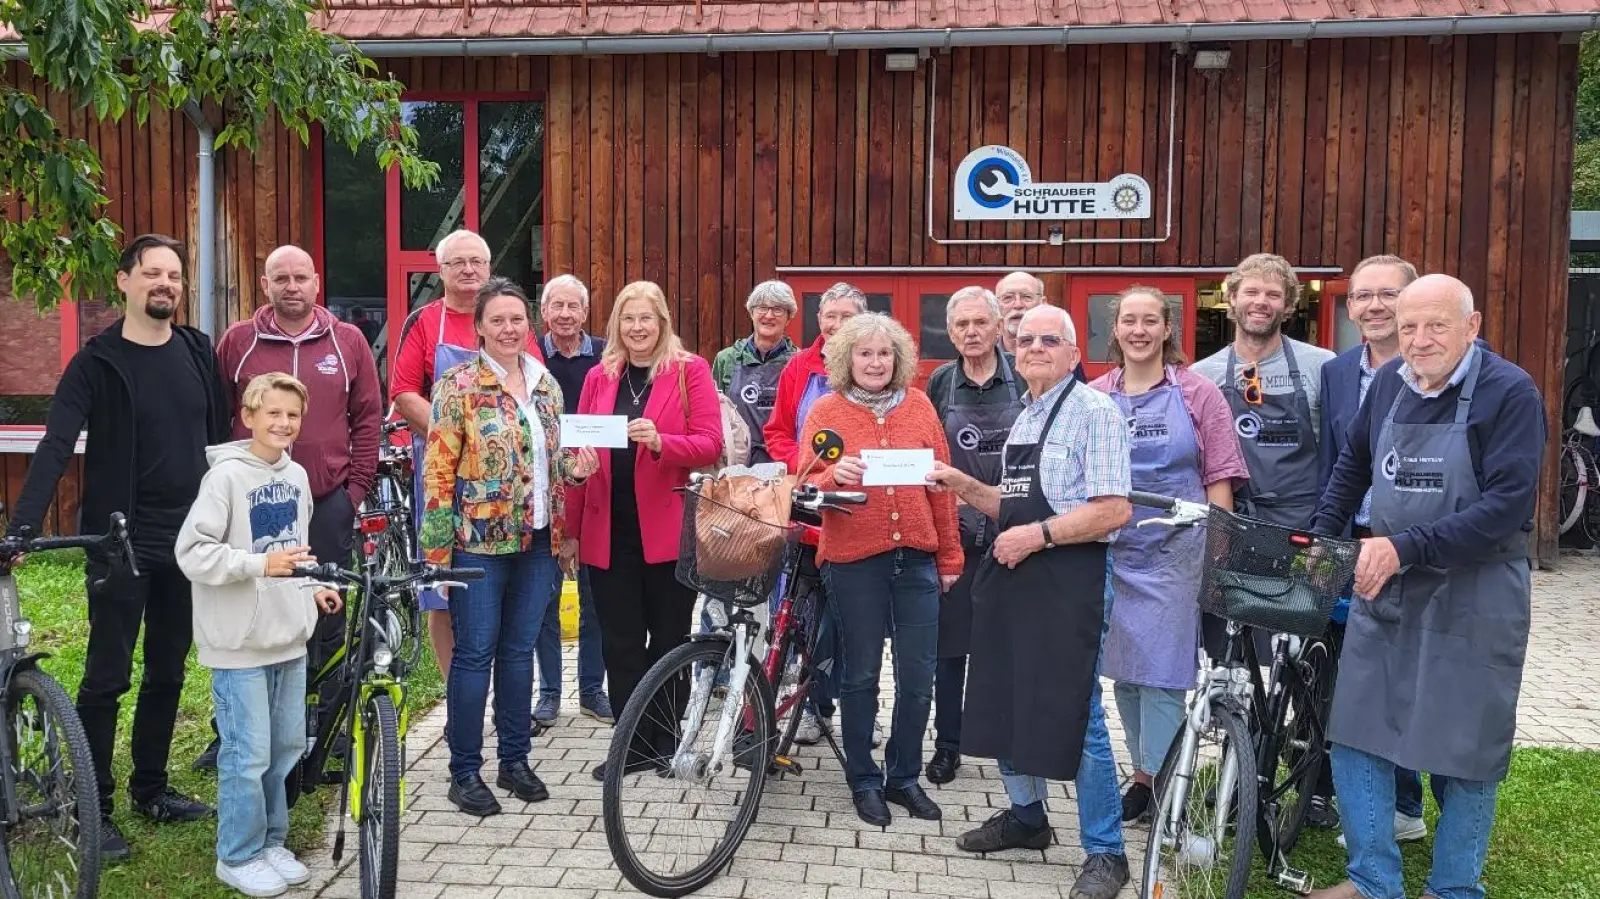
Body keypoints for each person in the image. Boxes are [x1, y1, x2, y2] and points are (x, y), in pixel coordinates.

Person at [1307, 275, 1544, 899]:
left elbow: (1507, 505)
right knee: (1357, 730)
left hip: (1476, 591)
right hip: (1386, 588)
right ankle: (1371, 880)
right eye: (1408, 327)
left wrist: (1404, 548)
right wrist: (1324, 539)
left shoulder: (1508, 391)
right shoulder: (1387, 384)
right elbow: (1352, 464)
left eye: (1436, 325)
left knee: (1466, 746)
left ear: (1471, 326)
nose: (1419, 339)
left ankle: (1454, 887)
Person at [6, 233, 226, 859]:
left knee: (168, 669)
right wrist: (22, 529)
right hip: (119, 541)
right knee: (107, 675)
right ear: (124, 282)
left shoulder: (196, 351)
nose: (166, 284)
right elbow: (54, 447)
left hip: (190, 540)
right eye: (153, 273)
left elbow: (220, 445)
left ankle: (151, 788)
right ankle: (92, 805)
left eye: (175, 276)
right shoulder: (96, 363)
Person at [928, 304, 1133, 899]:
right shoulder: (1026, 415)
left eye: (1051, 339)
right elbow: (1011, 505)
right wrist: (960, 484)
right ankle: (1026, 817)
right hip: (1017, 573)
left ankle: (1106, 852)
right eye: (1026, 339)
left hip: (1071, 576)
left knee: (1079, 712)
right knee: (1004, 696)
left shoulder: (1095, 411)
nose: (1035, 347)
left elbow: (1114, 510)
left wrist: (1039, 536)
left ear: (1075, 353)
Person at [195, 244, 382, 772]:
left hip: (326, 500)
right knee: (248, 607)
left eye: (301, 277)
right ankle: (231, 729)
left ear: (317, 283)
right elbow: (217, 416)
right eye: (282, 278)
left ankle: (326, 726)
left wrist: (354, 494)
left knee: (324, 611)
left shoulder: (347, 343)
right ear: (265, 284)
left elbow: (368, 417)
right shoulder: (238, 342)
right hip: (252, 503)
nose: (292, 286)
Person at [421, 278, 598, 816]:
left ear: (529, 325)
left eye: (516, 320)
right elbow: (437, 473)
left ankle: (515, 761)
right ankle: (464, 770)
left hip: (537, 541)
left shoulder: (546, 385)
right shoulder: (457, 386)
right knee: (475, 655)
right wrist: (436, 559)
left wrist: (578, 468)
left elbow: (554, 462)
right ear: (478, 327)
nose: (508, 329)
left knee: (519, 655)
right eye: (497, 320)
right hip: (478, 547)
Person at [174, 372, 343, 897]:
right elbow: (192, 553)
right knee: (247, 754)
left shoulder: (295, 477)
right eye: (272, 413)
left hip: (288, 637)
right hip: (238, 643)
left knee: (285, 746)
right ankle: (237, 853)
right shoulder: (223, 479)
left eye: (292, 415)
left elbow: (295, 547)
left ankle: (272, 842)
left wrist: (312, 585)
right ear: (248, 416)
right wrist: (257, 564)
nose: (283, 423)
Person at [1088, 286, 1247, 822]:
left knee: (1162, 672)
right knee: (1125, 673)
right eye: (1128, 320)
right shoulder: (1095, 394)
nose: (1138, 330)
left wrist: (1219, 553)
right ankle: (1145, 772)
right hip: (1112, 548)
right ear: (1116, 331)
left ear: (1166, 330)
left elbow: (1220, 476)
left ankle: (1160, 781)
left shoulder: (1199, 394)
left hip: (1177, 551)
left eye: (1149, 321)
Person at [798, 313, 962, 827]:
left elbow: (942, 486)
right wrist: (829, 472)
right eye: (865, 354)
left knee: (917, 676)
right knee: (861, 674)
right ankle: (864, 780)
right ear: (848, 358)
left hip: (916, 558)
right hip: (853, 561)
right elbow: (804, 481)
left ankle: (904, 777)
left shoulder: (918, 407)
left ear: (899, 360)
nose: (875, 362)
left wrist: (950, 557)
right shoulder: (827, 408)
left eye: (884, 354)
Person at [568, 281, 722, 782]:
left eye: (646, 318)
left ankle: (665, 737)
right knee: (620, 641)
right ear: (616, 324)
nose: (637, 328)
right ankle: (631, 742)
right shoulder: (599, 375)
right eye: (628, 318)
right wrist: (576, 481)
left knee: (671, 639)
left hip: (667, 530)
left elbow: (710, 445)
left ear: (663, 322)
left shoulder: (688, 371)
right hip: (607, 530)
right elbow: (578, 449)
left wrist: (663, 441)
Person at [1319, 255, 1435, 848]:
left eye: (1386, 295)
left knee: (1413, 676)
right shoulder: (1339, 372)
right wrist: (1325, 533)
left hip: (1416, 544)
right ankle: (1369, 799)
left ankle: (1408, 804)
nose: (1372, 306)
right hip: (1353, 543)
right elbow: (1341, 460)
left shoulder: (1450, 370)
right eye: (1361, 296)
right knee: (1355, 673)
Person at [391, 229, 542, 679]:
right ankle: (452, 684)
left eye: (476, 261)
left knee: (505, 586)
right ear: (441, 271)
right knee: (443, 587)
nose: (468, 270)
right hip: (443, 479)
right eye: (457, 263)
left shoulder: (510, 321)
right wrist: (454, 437)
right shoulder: (423, 322)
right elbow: (402, 392)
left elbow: (534, 389)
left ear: (489, 267)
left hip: (508, 488)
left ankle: (498, 686)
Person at [920, 286, 1022, 786]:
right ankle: (948, 745)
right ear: (951, 331)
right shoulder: (940, 382)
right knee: (949, 648)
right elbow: (927, 449)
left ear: (1000, 327)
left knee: (1010, 645)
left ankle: (1013, 744)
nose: (971, 333)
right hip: (957, 532)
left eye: (981, 323)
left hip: (1017, 532)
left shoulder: (1025, 376)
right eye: (961, 326)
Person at [761, 281, 867, 746]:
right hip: (808, 506)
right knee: (804, 618)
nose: (838, 323)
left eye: (848, 315)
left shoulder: (877, 362)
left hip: (860, 511)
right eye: (831, 316)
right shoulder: (799, 367)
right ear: (819, 320)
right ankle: (809, 705)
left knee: (854, 619)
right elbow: (778, 431)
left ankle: (856, 702)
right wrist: (811, 467)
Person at [534, 274, 612, 727]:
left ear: (586, 312)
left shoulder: (605, 356)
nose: (565, 315)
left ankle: (591, 690)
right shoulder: (530, 356)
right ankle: (549, 693)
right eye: (557, 307)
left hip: (592, 484)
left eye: (573, 307)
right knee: (544, 600)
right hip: (543, 488)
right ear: (544, 313)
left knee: (593, 599)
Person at [713, 280, 800, 466]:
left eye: (778, 309)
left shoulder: (799, 363)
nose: (768, 315)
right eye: (761, 308)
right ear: (751, 312)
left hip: (784, 463)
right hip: (736, 462)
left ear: (789, 317)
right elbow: (714, 413)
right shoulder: (726, 359)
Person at [994, 271, 1086, 381]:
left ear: (1043, 303)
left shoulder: (1063, 354)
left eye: (1026, 297)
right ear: (996, 306)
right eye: (1008, 298)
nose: (1017, 305)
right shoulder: (986, 356)